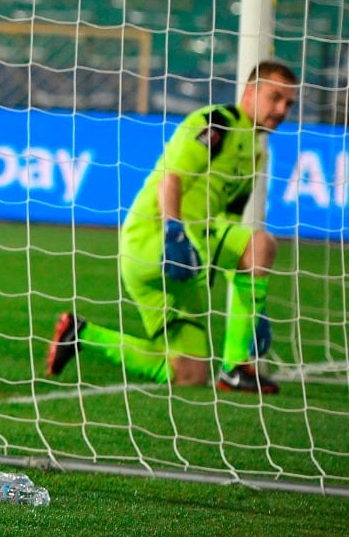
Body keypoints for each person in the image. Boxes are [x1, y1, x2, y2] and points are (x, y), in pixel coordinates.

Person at [46, 60, 299, 394]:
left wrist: (256, 308)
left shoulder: (257, 154)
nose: (281, 109)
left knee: (189, 375)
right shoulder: (217, 123)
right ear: (250, 92)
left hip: (190, 255)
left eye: (289, 104)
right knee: (262, 244)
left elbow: (231, 225)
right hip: (154, 241)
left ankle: (81, 334)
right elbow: (172, 177)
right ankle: (236, 367)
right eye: (275, 97)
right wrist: (174, 230)